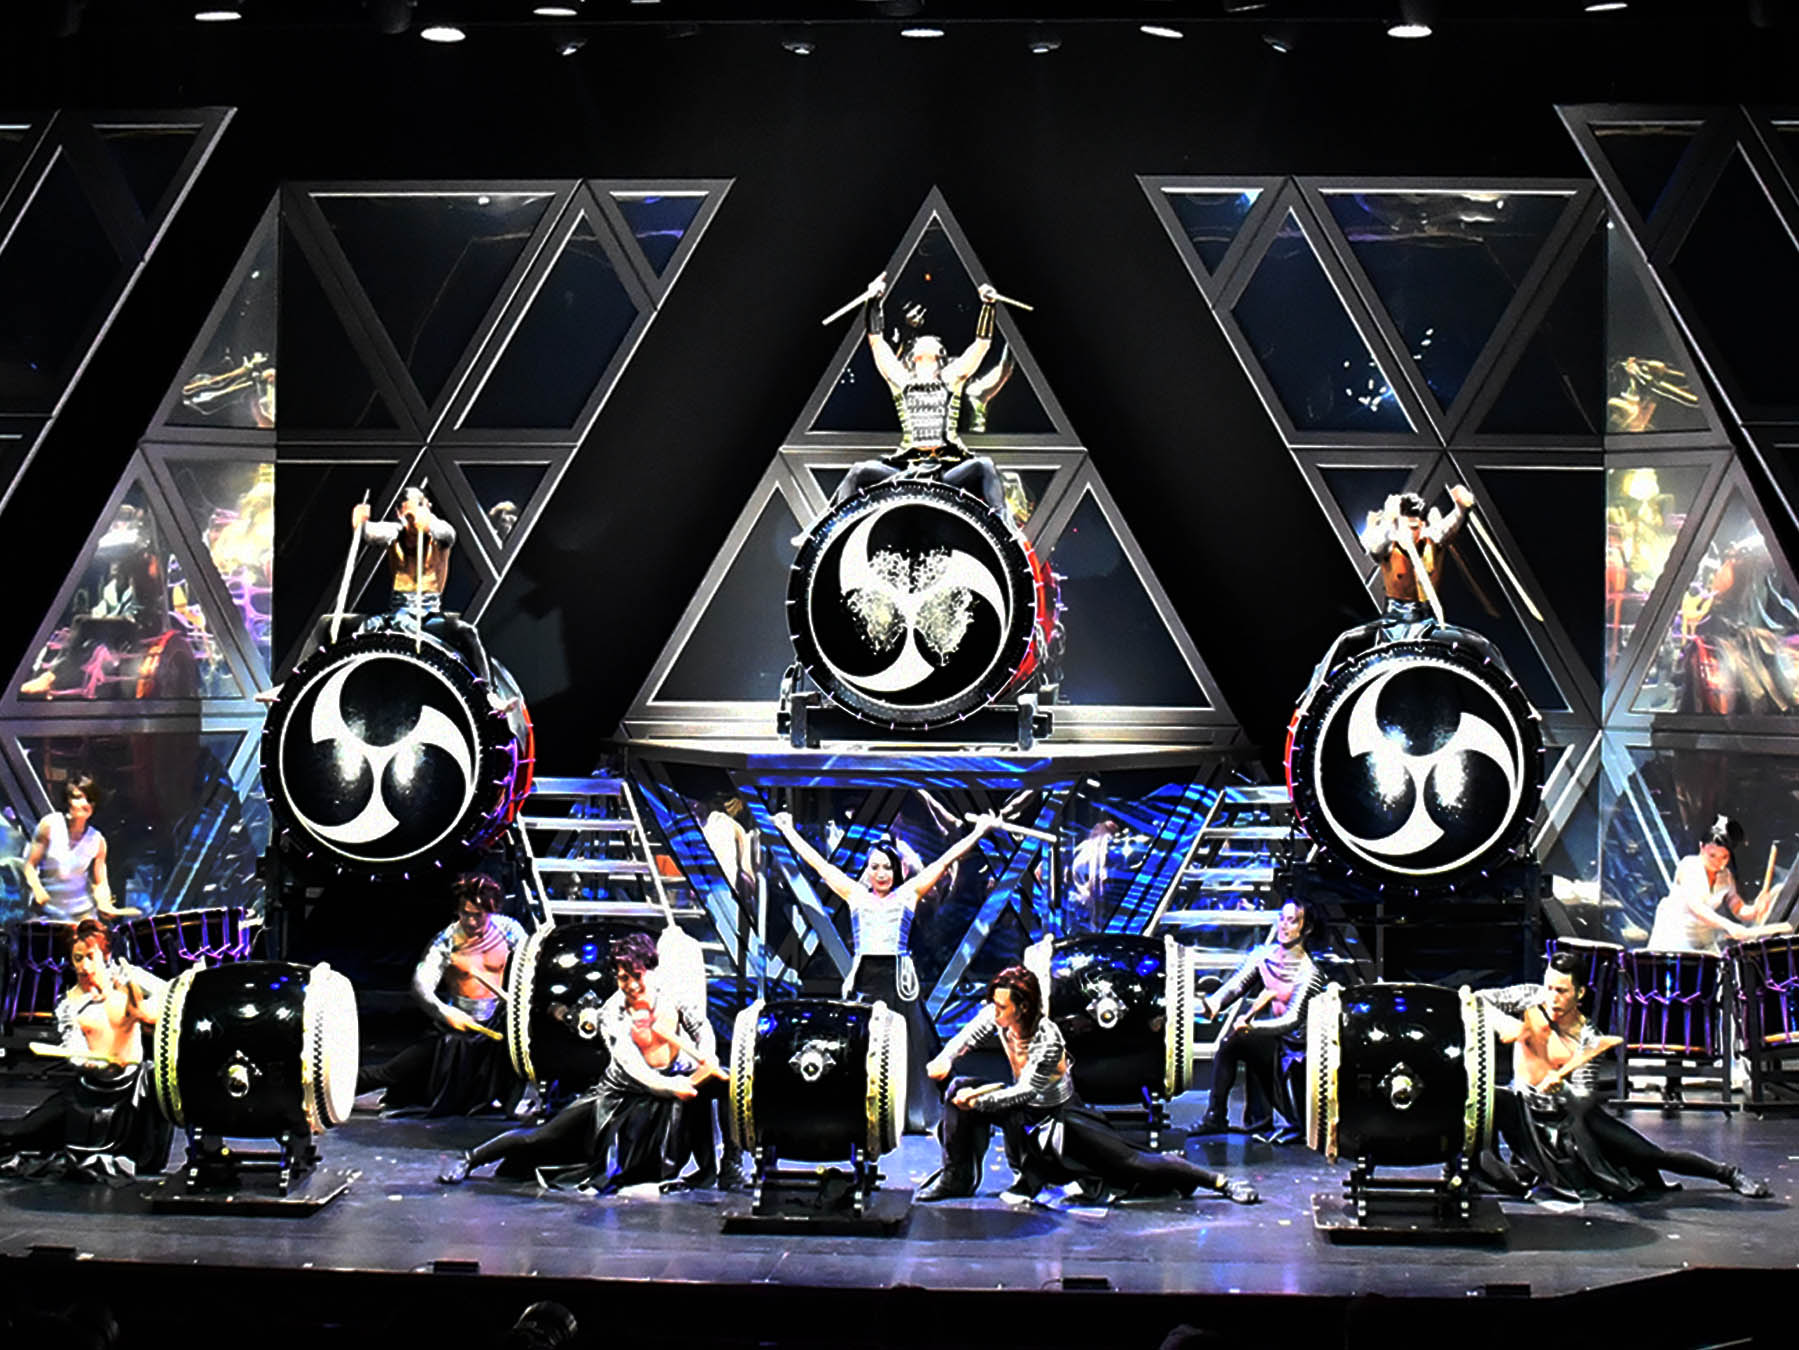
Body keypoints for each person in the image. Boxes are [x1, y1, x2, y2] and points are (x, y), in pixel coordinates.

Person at [916, 966, 1257, 1206]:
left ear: (1022, 1007)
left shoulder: (1047, 1038)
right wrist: (945, 1058)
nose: (995, 1012)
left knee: (1132, 1162)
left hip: (1060, 1118)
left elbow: (1027, 1090)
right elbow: (967, 1038)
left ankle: (1220, 1182)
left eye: (1002, 1006)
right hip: (1023, 1112)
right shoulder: (1000, 1018)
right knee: (958, 1086)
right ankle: (957, 1176)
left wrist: (978, 1103)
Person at [439, 932, 735, 1191]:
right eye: (623, 978)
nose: (631, 986)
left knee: (727, 1084)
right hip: (622, 1094)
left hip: (672, 1078)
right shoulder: (612, 1014)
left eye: (637, 976)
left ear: (651, 971)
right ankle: (470, 1158)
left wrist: (707, 1056)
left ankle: (729, 1167)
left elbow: (701, 1028)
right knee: (542, 1137)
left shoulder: (672, 995)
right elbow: (633, 1067)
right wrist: (672, 1086)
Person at [771, 809, 998, 1132]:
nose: (881, 874)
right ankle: (863, 1113)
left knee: (905, 1051)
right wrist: (788, 830)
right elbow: (820, 866)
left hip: (898, 983)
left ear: (898, 869)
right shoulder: (855, 895)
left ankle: (908, 1114)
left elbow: (945, 860)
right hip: (865, 982)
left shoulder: (908, 894)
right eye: (875, 867)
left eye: (887, 867)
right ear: (867, 870)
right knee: (862, 1050)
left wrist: (979, 832)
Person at [1477, 952, 1769, 1202]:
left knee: (1650, 1155)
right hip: (1526, 1112)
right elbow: (1476, 1000)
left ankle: (1727, 1173)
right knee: (1487, 1100)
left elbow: (1584, 1099)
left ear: (1580, 993)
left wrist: (1562, 1088)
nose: (1552, 998)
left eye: (1562, 991)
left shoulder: (1588, 1037)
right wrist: (1506, 1023)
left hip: (1572, 1122)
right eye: (1549, 988)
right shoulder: (1530, 999)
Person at [798, 274, 1010, 541]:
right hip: (907, 469)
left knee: (985, 465)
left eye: (932, 342)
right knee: (859, 471)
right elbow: (876, 341)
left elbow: (981, 345)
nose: (926, 340)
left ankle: (1003, 529)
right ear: (913, 355)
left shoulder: (951, 379)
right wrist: (874, 302)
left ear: (940, 354)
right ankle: (833, 529)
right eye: (921, 343)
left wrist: (988, 306)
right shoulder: (902, 381)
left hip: (944, 471)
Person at [264, 485, 505, 708]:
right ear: (400, 514)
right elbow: (372, 534)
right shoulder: (395, 532)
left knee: (467, 632)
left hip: (430, 617)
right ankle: (291, 686)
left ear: (428, 507)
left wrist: (427, 522)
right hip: (397, 612)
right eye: (408, 516)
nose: (412, 522)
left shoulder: (441, 535)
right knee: (326, 623)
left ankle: (489, 694)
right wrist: (361, 523)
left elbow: (445, 533)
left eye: (419, 511)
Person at [0, 919, 172, 1180]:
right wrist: (98, 1064)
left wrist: (149, 1013)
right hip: (89, 1095)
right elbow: (76, 1052)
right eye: (78, 958)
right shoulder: (70, 1005)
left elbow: (170, 996)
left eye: (91, 957)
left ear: (105, 956)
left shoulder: (132, 980)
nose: (84, 966)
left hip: (133, 1093)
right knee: (20, 1132)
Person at [355, 873, 527, 1116]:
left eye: (478, 915)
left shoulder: (509, 931)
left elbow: (531, 968)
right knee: (391, 1072)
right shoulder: (446, 940)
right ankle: (318, 1088)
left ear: (492, 910)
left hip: (496, 1027)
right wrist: (446, 1013)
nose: (471, 922)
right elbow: (420, 985)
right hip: (455, 1027)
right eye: (465, 914)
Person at [1193, 898, 1322, 1143]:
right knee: (1231, 1043)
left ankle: (1259, 1120)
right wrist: (1215, 1003)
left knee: (1245, 1039)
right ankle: (1215, 1116)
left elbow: (1292, 1019)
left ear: (1306, 929)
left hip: (1295, 1049)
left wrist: (1253, 1026)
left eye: (1292, 921)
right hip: (1273, 1039)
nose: (1284, 926)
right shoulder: (1263, 955)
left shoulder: (1309, 973)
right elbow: (1237, 984)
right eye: (1282, 918)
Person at [1647, 815, 1774, 953]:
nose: (1717, 862)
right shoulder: (1689, 866)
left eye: (1724, 857)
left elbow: (1738, 907)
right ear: (1701, 847)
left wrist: (1755, 909)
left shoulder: (1726, 876)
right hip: (1674, 938)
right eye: (1712, 855)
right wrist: (1729, 925)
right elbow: (1697, 908)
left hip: (1704, 941)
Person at [24, 776, 134, 924]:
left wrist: (104, 903)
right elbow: (30, 866)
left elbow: (100, 882)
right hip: (48, 917)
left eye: (89, 800)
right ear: (67, 801)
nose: (84, 804)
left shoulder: (97, 840)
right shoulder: (50, 825)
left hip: (83, 919)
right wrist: (37, 888)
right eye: (78, 797)